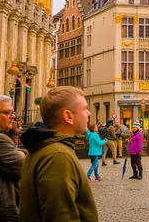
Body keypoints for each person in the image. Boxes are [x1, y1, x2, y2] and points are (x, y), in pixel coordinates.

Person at [19, 86, 98, 222]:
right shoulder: (58, 156)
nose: (89, 113)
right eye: (84, 108)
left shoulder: (48, 147)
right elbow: (60, 214)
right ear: (68, 116)